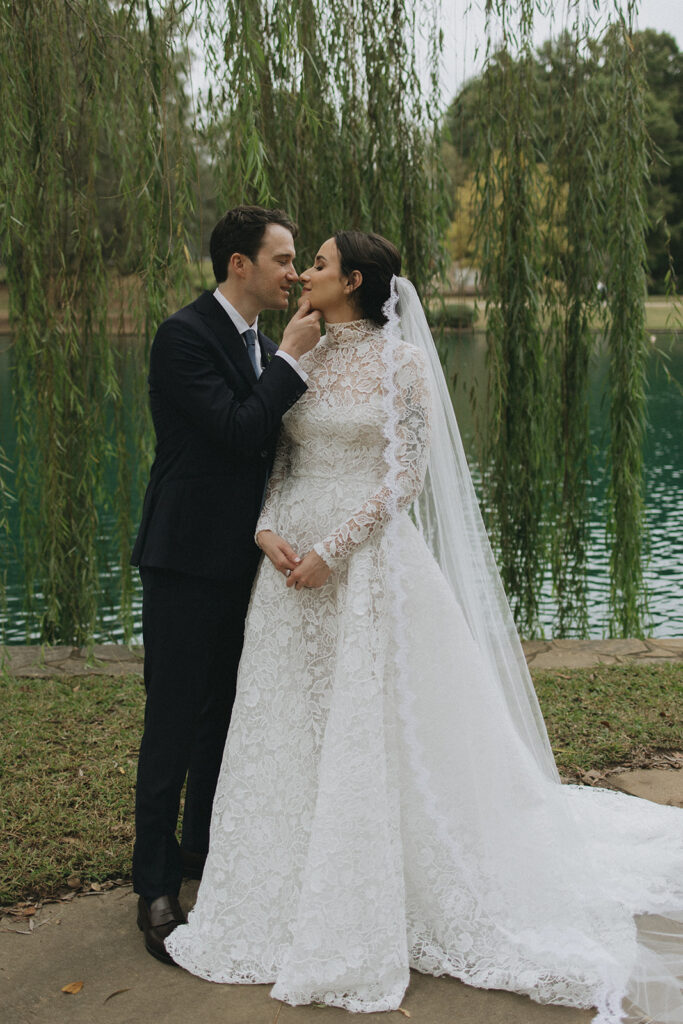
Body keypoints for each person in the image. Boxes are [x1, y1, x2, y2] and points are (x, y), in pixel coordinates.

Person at [166, 231, 683, 1023]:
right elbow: (274, 457)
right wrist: (266, 529)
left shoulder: (400, 364)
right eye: (299, 261)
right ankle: (283, 873)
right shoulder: (296, 351)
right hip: (286, 569)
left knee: (373, 726)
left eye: (321, 264)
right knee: (289, 725)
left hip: (362, 565)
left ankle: (387, 876)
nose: (305, 272)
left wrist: (332, 552)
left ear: (356, 281)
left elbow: (401, 477)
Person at [130, 205, 321, 964]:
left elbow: (272, 455)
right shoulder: (183, 337)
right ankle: (152, 882)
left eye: (299, 259)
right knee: (173, 722)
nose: (294, 272)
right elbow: (241, 429)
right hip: (184, 560)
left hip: (249, 564)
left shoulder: (264, 346)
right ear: (237, 264)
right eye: (281, 258)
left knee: (225, 718)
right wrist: (293, 362)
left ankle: (204, 852)